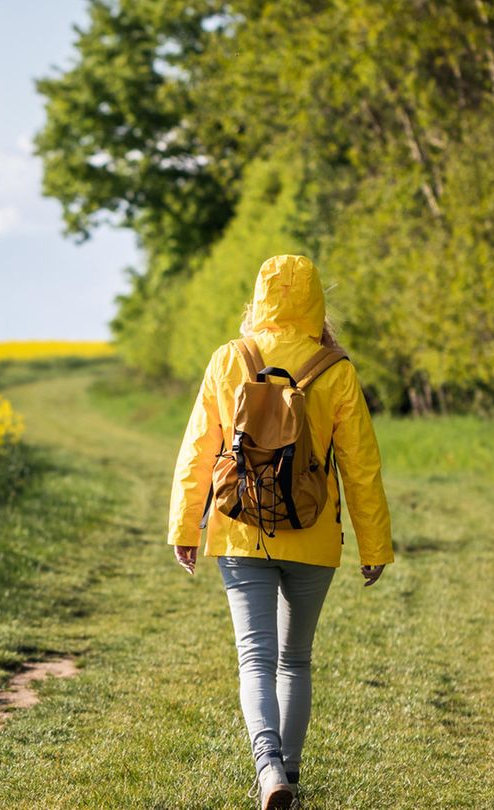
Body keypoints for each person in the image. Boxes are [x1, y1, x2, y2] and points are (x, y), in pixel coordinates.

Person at [166, 254, 394, 810]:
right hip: (314, 536)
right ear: (317, 301)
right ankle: (286, 771)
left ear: (259, 298)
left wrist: (185, 526)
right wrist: (374, 545)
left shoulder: (229, 360)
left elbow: (200, 450)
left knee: (255, 658)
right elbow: (360, 466)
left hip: (242, 530)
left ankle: (268, 770)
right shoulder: (335, 368)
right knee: (295, 659)